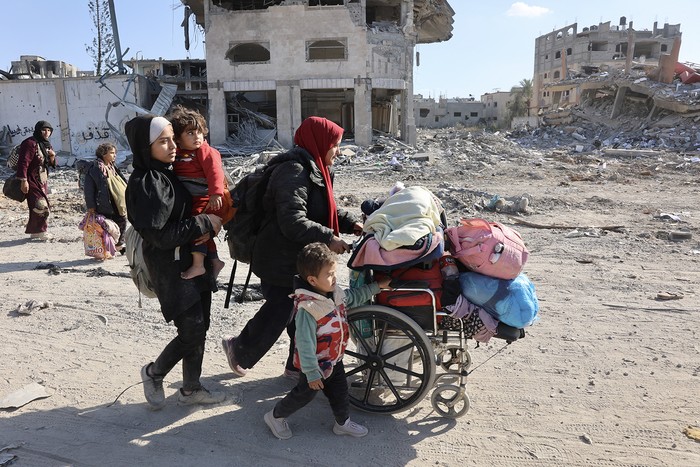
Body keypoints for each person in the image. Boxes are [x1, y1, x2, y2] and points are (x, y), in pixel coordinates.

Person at [222, 116, 363, 380]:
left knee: (304, 314)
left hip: (301, 258)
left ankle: (296, 365)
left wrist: (351, 222)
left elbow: (324, 209)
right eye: (335, 144)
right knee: (281, 311)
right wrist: (329, 237)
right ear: (319, 142)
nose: (338, 151)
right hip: (278, 257)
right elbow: (292, 220)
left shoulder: (318, 168)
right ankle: (239, 349)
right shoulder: (294, 171)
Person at [125, 114, 225, 410]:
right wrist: (205, 221)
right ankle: (154, 373)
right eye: (163, 141)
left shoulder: (170, 171)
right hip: (169, 266)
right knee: (191, 329)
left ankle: (191, 388)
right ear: (146, 146)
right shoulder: (145, 184)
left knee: (201, 326)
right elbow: (161, 237)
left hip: (193, 257)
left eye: (172, 138)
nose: (172, 146)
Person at [264, 242, 390, 439]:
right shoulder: (308, 308)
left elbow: (353, 297)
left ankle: (342, 423)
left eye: (334, 272)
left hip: (334, 360)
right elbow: (305, 344)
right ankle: (275, 416)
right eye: (329, 275)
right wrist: (312, 373)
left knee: (340, 393)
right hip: (314, 366)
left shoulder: (334, 293)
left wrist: (376, 287)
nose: (334, 278)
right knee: (303, 395)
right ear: (313, 280)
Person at [168, 105, 231, 280]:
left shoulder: (205, 151)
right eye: (190, 133)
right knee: (201, 232)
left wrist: (216, 193)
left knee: (196, 225)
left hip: (207, 198)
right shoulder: (179, 153)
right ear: (178, 139)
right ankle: (214, 259)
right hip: (193, 199)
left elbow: (215, 172)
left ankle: (198, 265)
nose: (197, 137)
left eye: (199, 132)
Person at [83, 142, 128, 253]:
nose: (114, 155)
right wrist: (91, 206)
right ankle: (108, 247)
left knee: (121, 221)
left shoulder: (112, 167)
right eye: (112, 153)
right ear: (103, 154)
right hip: (104, 203)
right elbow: (89, 189)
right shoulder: (95, 169)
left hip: (117, 202)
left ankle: (118, 244)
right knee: (107, 226)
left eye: (115, 153)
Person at [15, 120, 56, 241]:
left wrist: (52, 156)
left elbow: (50, 163)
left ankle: (35, 231)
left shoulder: (46, 144)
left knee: (37, 205)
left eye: (49, 130)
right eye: (44, 130)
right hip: (31, 179)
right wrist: (23, 180)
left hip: (42, 179)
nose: (46, 133)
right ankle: (40, 231)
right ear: (38, 130)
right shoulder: (30, 143)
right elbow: (23, 163)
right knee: (40, 205)